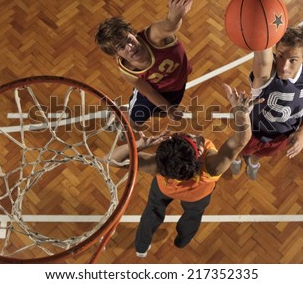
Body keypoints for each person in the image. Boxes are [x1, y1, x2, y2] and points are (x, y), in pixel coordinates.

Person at [107, 83, 260, 257]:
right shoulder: (211, 167)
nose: (192, 135)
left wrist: (139, 144)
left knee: (152, 212)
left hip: (164, 188)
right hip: (197, 197)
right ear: (199, 155)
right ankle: (182, 240)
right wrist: (241, 113)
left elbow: (112, 160)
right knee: (192, 217)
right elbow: (241, 140)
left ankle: (141, 247)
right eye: (192, 139)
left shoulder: (158, 165)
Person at [95, 0, 196, 130]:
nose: (130, 47)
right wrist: (169, 109)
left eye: (129, 39)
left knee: (160, 114)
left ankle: (124, 110)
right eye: (121, 47)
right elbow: (149, 93)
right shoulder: (128, 70)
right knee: (135, 124)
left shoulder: (153, 36)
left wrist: (176, 16)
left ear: (133, 33)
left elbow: (169, 25)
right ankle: (121, 116)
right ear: (116, 54)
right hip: (153, 91)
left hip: (175, 85)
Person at [231, 25, 303, 180]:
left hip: (281, 135)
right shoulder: (266, 73)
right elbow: (262, 55)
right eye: (280, 55)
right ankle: (236, 159)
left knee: (261, 154)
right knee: (238, 149)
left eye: (293, 60)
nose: (284, 66)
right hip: (252, 132)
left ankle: (253, 162)